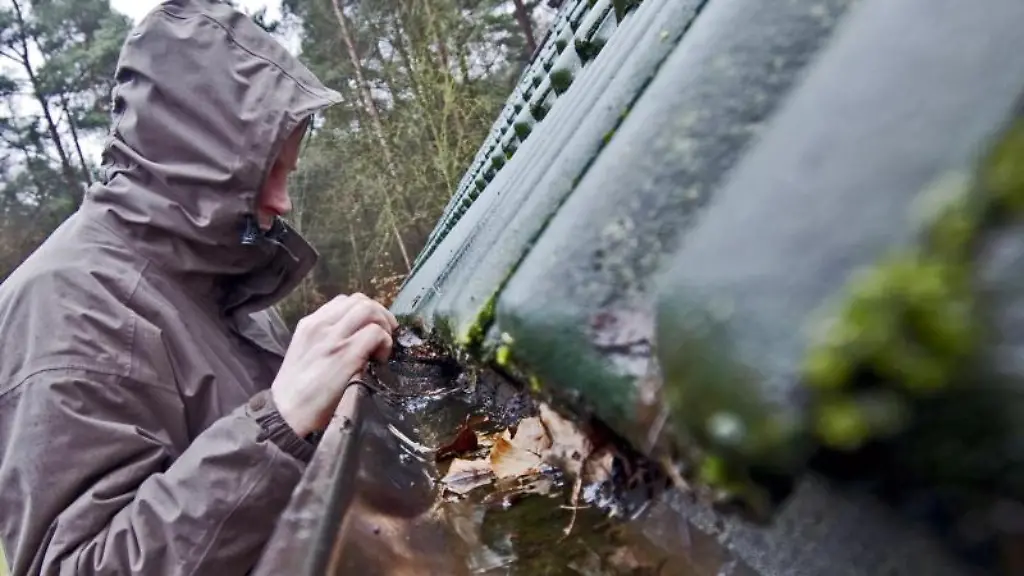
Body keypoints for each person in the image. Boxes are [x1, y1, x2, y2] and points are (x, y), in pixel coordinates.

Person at [0, 0, 399, 574]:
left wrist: (341, 383)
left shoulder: (213, 272)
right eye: (270, 173)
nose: (282, 201)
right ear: (201, 166)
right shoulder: (62, 304)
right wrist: (280, 421)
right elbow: (77, 564)